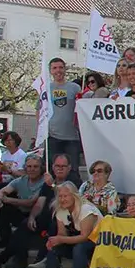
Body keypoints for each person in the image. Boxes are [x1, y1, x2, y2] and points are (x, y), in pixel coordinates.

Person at [30, 183, 102, 268]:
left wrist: (60, 239)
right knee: (55, 248)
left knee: (79, 248)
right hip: (78, 240)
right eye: (60, 196)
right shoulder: (61, 210)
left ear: (74, 196)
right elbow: (62, 234)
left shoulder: (86, 209)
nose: (62, 199)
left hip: (97, 243)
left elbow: (85, 236)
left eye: (66, 196)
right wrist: (55, 241)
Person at [46, 57, 83, 185]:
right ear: (50, 71)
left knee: (73, 172)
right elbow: (39, 110)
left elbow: (84, 107)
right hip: (52, 136)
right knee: (52, 171)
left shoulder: (75, 87)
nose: (58, 70)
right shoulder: (46, 88)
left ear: (65, 69)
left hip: (72, 137)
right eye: (55, 68)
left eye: (61, 67)